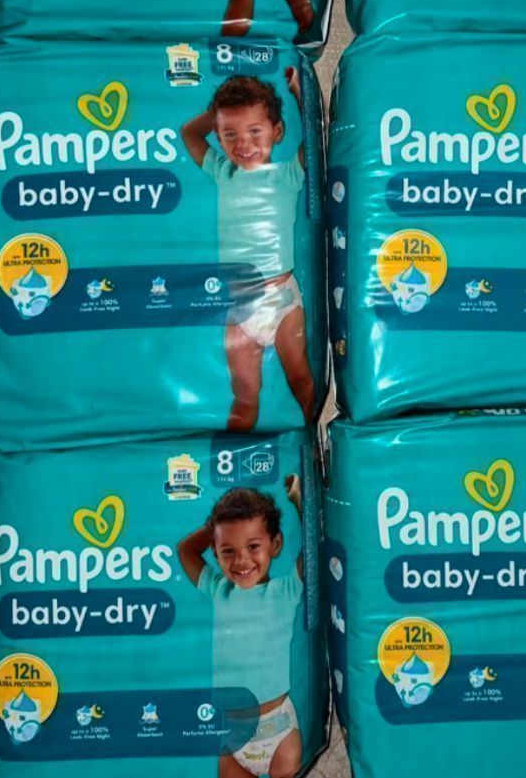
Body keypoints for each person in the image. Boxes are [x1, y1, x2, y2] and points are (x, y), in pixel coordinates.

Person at [182, 68, 314, 430]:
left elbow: (315, 142)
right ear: (219, 136)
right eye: (230, 134)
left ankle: (307, 436)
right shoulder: (222, 170)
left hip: (281, 298)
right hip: (238, 304)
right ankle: (238, 453)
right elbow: (189, 133)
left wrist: (299, 92)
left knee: (300, 377)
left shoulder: (287, 174)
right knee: (244, 396)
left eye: (255, 131)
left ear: (277, 132)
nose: (243, 143)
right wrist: (217, 114)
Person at [178, 476, 305, 777]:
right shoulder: (218, 589)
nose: (241, 560)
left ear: (275, 545)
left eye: (253, 546)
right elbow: (185, 550)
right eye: (228, 551)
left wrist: (299, 501)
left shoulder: (285, 590)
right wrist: (217, 528)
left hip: (279, 729)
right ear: (215, 551)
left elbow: (313, 551)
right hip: (231, 735)